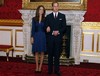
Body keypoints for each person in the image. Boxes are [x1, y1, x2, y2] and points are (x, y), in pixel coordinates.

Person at [45, 2, 67, 76]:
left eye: (57, 6)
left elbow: (64, 28)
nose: (56, 7)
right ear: (52, 7)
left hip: (58, 38)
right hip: (50, 38)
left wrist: (58, 32)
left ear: (58, 7)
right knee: (50, 55)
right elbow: (46, 27)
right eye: (54, 6)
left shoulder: (62, 16)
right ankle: (50, 70)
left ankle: (57, 70)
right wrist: (49, 29)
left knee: (57, 55)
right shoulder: (48, 16)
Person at [31, 5, 46, 73]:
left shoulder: (45, 19)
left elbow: (46, 29)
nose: (41, 11)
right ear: (38, 10)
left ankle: (40, 67)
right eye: (40, 9)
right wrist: (32, 37)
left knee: (42, 52)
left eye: (42, 10)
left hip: (43, 36)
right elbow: (33, 29)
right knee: (36, 52)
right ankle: (36, 67)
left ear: (43, 11)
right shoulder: (34, 19)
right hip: (36, 36)